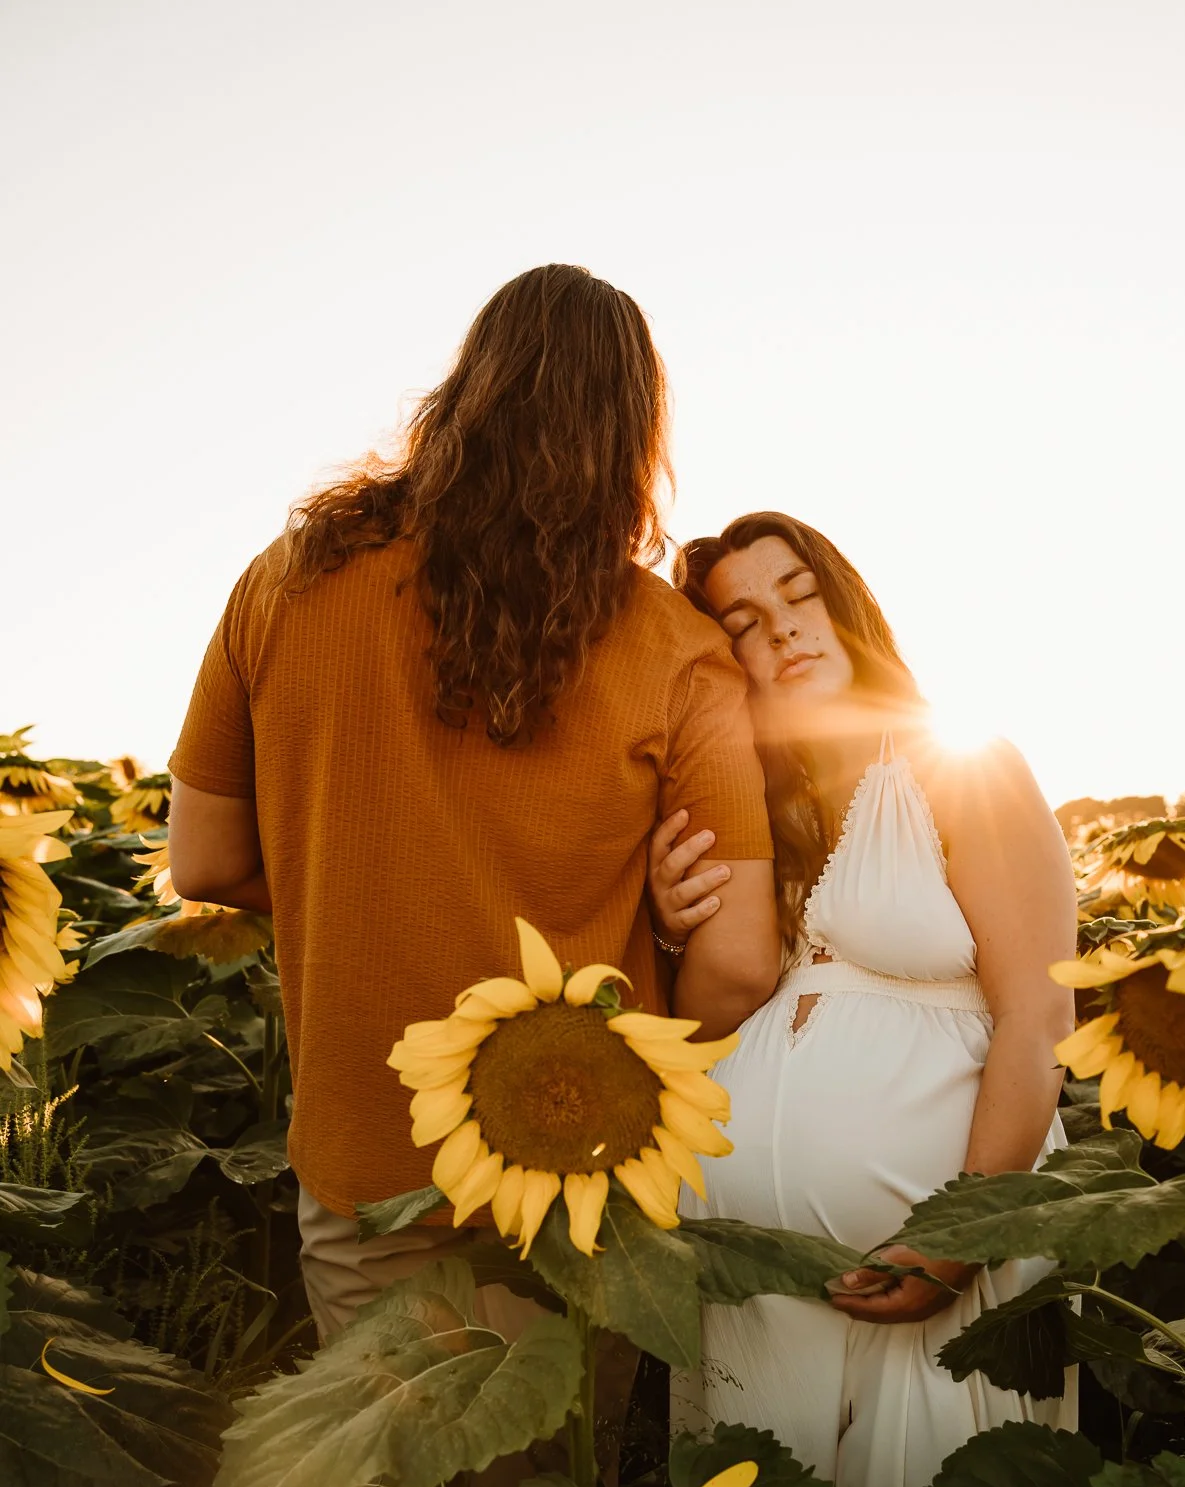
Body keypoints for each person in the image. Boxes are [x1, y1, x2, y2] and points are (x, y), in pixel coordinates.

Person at [167, 266, 779, 1354]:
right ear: (637, 434)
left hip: (366, 1165)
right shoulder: (680, 653)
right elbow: (736, 968)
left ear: (465, 390)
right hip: (581, 1182)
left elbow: (205, 862)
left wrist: (352, 878)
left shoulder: (288, 582)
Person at [650, 512, 1078, 1487]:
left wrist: (956, 1241)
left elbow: (1034, 1023)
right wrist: (678, 925)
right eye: (740, 617)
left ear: (847, 605)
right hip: (759, 1288)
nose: (781, 629)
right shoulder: (752, 805)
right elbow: (723, 1021)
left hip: (940, 1259)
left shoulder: (958, 766)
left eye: (799, 595)